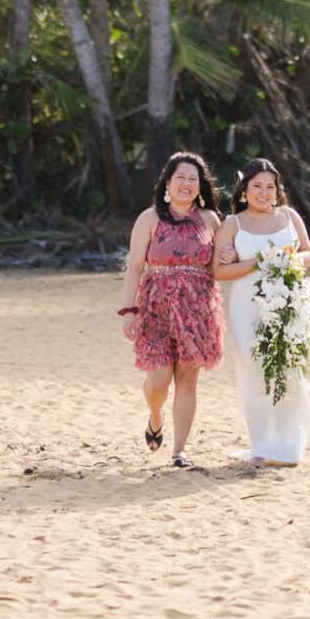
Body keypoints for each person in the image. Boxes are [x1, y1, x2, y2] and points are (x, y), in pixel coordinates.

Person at [117, 152, 224, 469]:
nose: (187, 184)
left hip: (198, 309)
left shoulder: (209, 220)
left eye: (193, 179)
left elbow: (220, 264)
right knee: (158, 382)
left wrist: (230, 252)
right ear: (167, 181)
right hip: (155, 308)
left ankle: (179, 451)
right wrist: (130, 310)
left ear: (200, 186)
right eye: (181, 177)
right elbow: (134, 267)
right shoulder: (149, 219)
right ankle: (155, 415)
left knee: (188, 381)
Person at [213, 157, 310, 467]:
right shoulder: (233, 224)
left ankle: (287, 445)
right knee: (254, 370)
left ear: (277, 190)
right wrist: (260, 262)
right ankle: (261, 444)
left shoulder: (289, 216)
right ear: (244, 190)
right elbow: (218, 270)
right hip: (247, 306)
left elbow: (308, 254)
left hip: (287, 301)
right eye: (257, 185)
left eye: (270, 186)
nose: (264, 192)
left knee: (288, 370)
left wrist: (288, 263)